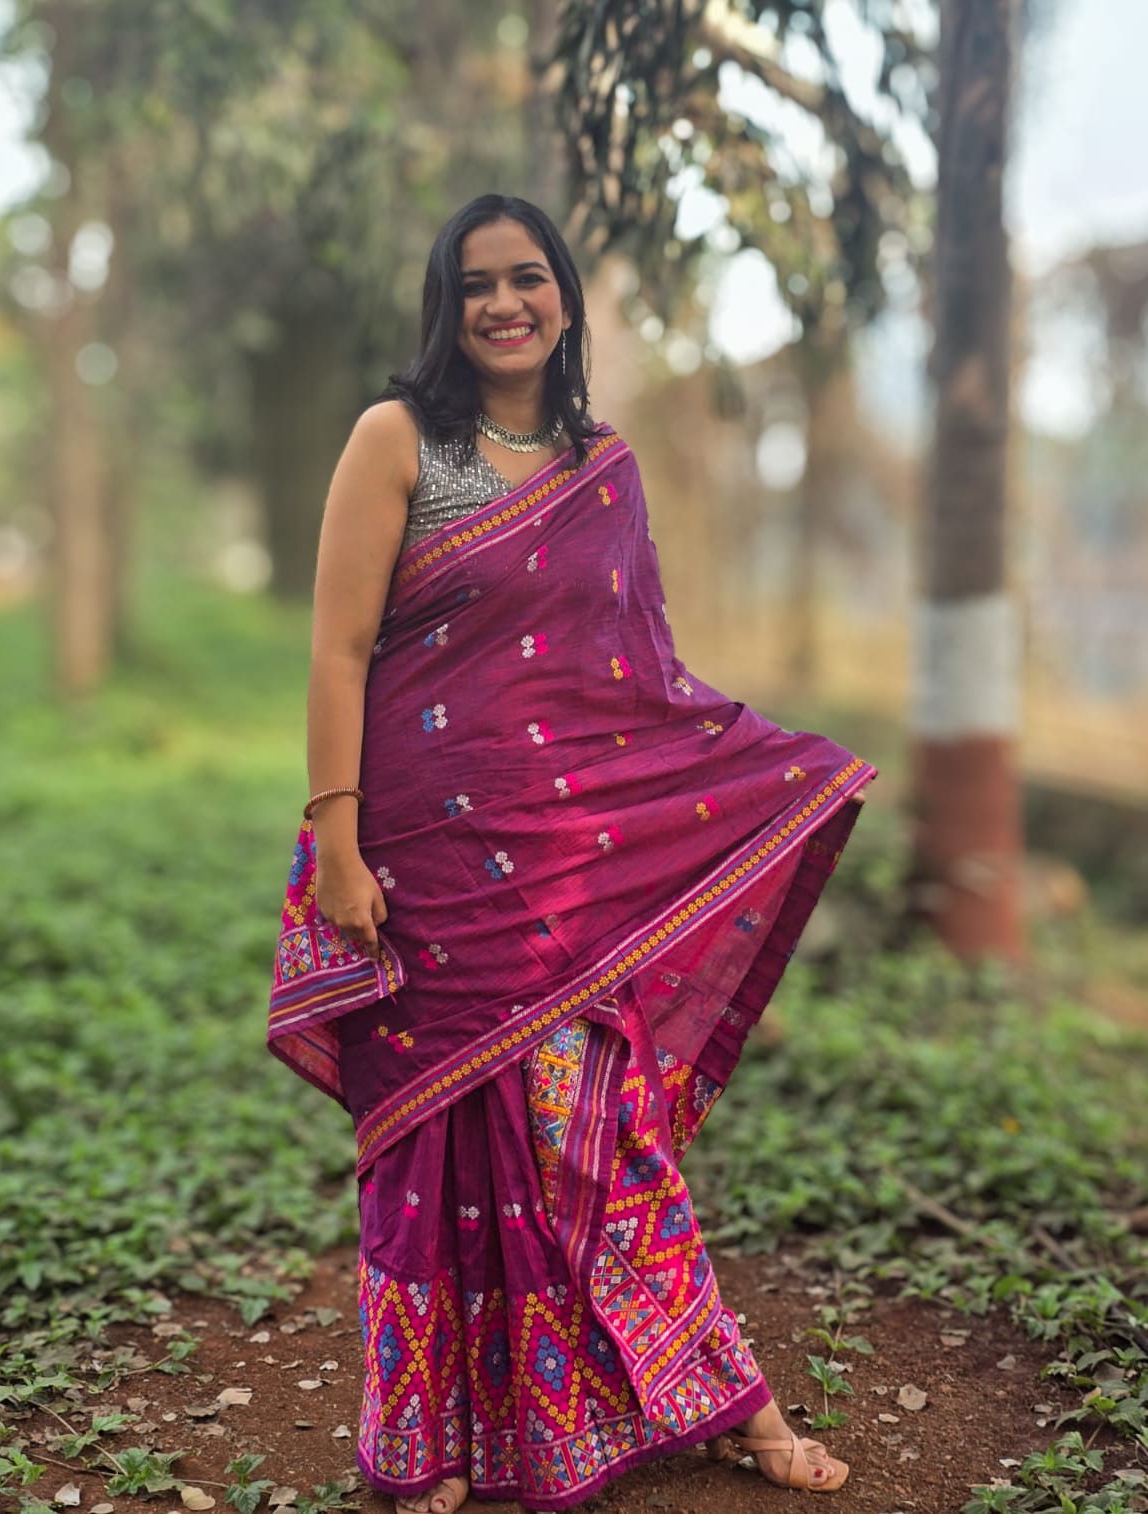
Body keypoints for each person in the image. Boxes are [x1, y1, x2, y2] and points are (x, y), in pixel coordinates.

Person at [268, 193, 875, 1514]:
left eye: (526, 277)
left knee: (604, 1134)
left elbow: (637, 679)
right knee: (430, 1147)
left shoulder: (604, 465)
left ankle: (725, 1395)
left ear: (563, 299)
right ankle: (422, 1440)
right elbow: (336, 650)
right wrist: (338, 840)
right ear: (447, 302)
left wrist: (763, 767)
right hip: (420, 847)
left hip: (563, 867)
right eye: (475, 282)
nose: (503, 303)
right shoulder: (397, 441)